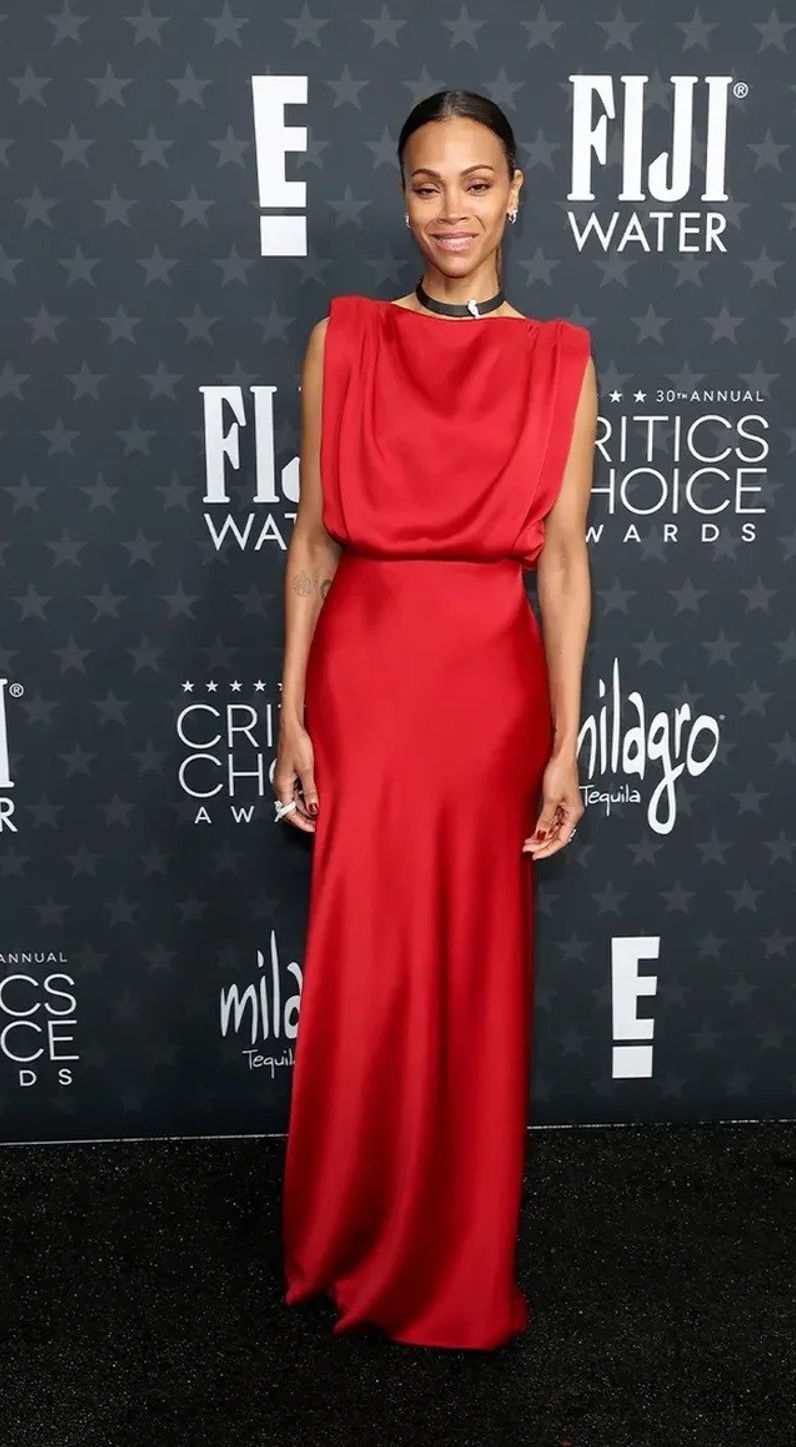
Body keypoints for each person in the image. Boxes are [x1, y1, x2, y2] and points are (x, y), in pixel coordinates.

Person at [274, 89, 598, 1351]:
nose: (449, 210)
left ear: (516, 192)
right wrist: (290, 709)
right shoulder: (343, 339)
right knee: (367, 969)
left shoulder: (559, 356)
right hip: (364, 681)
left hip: (486, 696)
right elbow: (311, 548)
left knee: (471, 977)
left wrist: (566, 738)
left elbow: (560, 562)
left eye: (474, 182)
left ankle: (455, 1259)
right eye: (425, 185)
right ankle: (347, 1237)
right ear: (400, 197)